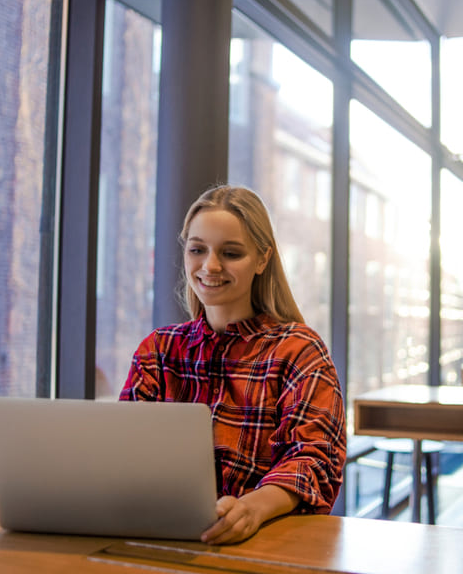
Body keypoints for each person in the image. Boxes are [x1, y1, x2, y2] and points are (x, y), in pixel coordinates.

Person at [119, 184, 346, 545]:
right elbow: (123, 449)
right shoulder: (158, 351)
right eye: (197, 250)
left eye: (231, 252)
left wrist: (253, 508)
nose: (210, 266)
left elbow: (315, 460)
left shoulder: (300, 351)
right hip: (165, 540)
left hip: (264, 545)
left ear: (262, 259)